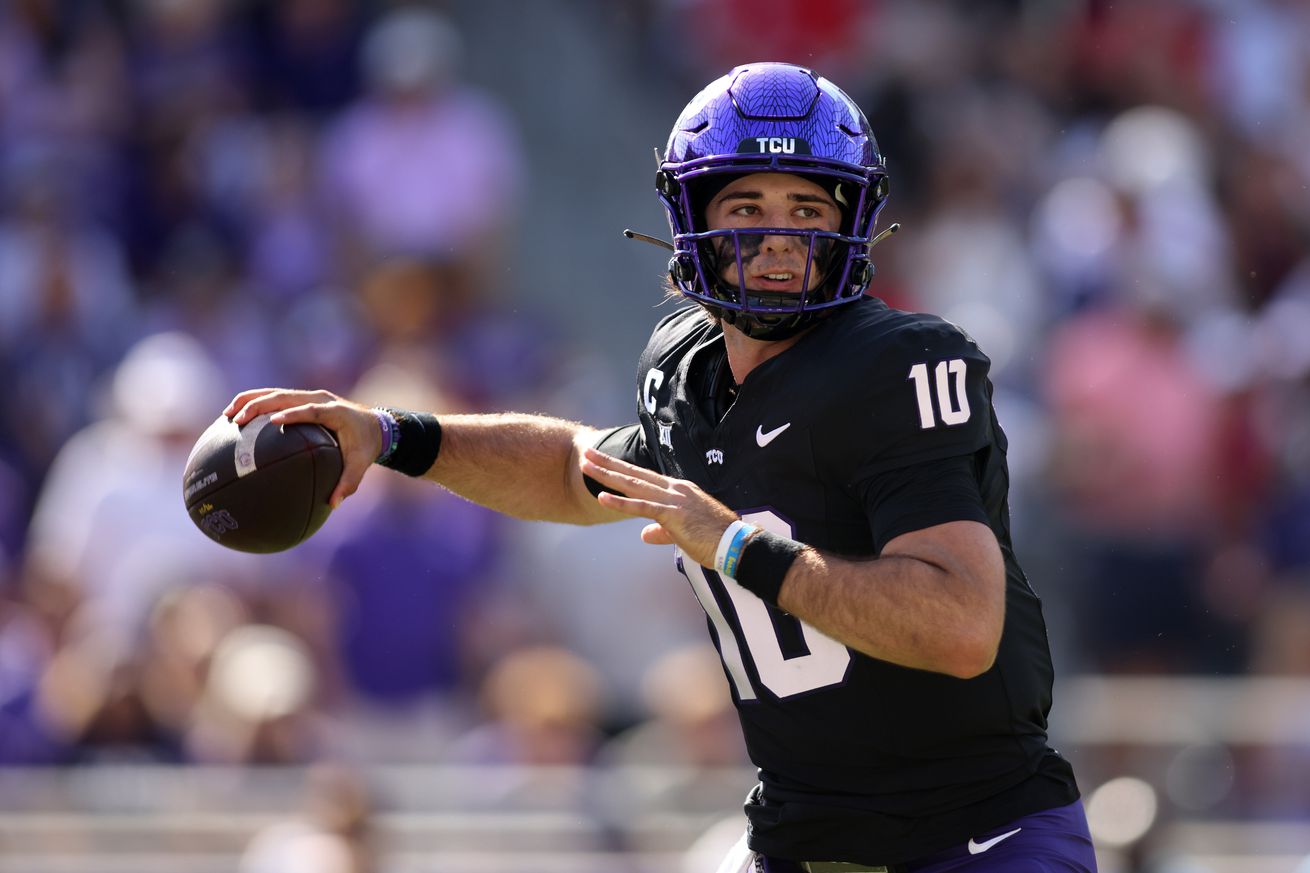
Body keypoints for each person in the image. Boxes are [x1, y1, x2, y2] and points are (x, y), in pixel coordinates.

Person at [225, 62, 1094, 872]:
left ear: (851, 222)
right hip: (806, 830)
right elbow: (574, 469)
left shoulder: (898, 366)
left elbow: (959, 623)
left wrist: (739, 546)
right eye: (746, 208)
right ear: (693, 218)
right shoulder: (686, 369)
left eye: (807, 210)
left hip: (977, 832)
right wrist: (393, 434)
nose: (779, 239)